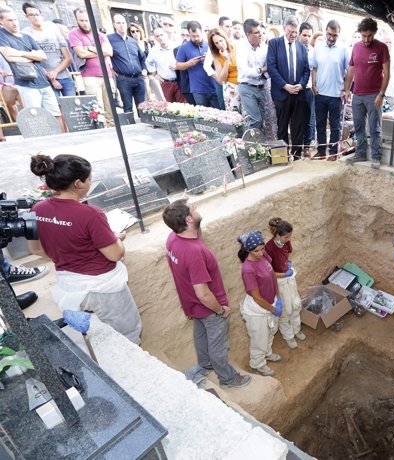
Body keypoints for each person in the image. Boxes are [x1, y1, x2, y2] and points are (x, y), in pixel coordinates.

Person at [28, 154, 142, 344]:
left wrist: (65, 254)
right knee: (128, 332)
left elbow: (36, 250)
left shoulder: (37, 209)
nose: (91, 182)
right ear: (79, 183)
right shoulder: (90, 214)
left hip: (69, 284)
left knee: (94, 339)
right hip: (103, 287)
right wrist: (116, 237)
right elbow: (115, 254)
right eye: (89, 179)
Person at [162, 199, 252, 389]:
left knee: (201, 338)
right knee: (218, 345)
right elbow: (203, 293)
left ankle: (205, 366)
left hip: (192, 306)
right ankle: (228, 379)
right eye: (194, 209)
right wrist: (220, 310)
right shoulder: (194, 253)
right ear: (188, 219)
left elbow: (195, 238)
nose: (197, 209)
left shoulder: (173, 239)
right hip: (210, 308)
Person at [0, 8, 65, 131]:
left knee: (55, 114)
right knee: (35, 117)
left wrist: (19, 53)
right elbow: (9, 56)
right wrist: (33, 56)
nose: (15, 23)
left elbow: (42, 56)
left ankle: (61, 140)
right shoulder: (2, 35)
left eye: (15, 19)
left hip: (43, 81)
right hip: (26, 82)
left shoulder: (26, 36)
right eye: (10, 20)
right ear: (1, 22)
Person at [343, 17, 390, 169]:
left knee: (375, 127)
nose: (366, 39)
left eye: (369, 35)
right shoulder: (356, 47)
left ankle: (376, 156)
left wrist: (381, 94)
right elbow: (351, 69)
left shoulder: (382, 48)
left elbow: (387, 72)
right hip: (357, 94)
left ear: (374, 33)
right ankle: (360, 153)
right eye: (364, 35)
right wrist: (347, 89)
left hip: (374, 95)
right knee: (358, 127)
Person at [237, 230, 282, 377]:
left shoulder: (263, 257)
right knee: (259, 339)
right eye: (256, 251)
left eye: (262, 248)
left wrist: (278, 297)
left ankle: (267, 354)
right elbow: (257, 298)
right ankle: (258, 364)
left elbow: (272, 274)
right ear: (248, 250)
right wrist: (273, 309)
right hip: (257, 310)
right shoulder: (248, 269)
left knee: (270, 332)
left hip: (270, 303)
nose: (261, 253)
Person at [266, 15, 310, 159]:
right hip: (281, 94)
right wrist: (285, 86)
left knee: (298, 126)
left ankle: (296, 156)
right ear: (284, 29)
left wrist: (301, 85)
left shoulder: (302, 47)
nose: (293, 35)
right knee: (282, 126)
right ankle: (281, 157)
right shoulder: (274, 44)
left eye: (295, 32)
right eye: (290, 31)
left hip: (298, 94)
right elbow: (272, 68)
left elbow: (306, 70)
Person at [264, 218, 306, 350]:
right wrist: (283, 274)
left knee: (295, 305)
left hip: (289, 277)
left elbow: (287, 254)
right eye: (286, 237)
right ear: (277, 235)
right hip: (279, 282)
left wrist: (288, 264)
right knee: (285, 311)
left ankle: (296, 330)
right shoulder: (268, 248)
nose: (288, 239)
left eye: (290, 236)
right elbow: (269, 272)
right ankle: (289, 336)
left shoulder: (286, 242)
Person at [69, 7, 115, 126]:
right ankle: (101, 132)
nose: (85, 23)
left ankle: (112, 129)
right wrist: (100, 51)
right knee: (96, 108)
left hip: (107, 75)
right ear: (77, 20)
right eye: (81, 21)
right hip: (89, 76)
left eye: (87, 20)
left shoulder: (100, 34)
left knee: (110, 107)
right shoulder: (74, 34)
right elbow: (81, 53)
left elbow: (109, 52)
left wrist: (90, 48)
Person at [311, 19, 349, 159]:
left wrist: (346, 90)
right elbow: (314, 68)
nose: (331, 38)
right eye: (329, 34)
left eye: (335, 35)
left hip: (336, 95)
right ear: (325, 31)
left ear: (339, 34)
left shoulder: (343, 49)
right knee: (319, 124)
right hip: (320, 93)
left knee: (335, 126)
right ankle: (321, 151)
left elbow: (349, 71)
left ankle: (333, 153)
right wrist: (314, 85)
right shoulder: (318, 47)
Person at [21, 2, 75, 98]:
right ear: (26, 17)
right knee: (56, 109)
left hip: (64, 75)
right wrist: (51, 78)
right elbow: (33, 61)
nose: (35, 17)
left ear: (42, 15)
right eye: (31, 15)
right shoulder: (26, 33)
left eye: (37, 14)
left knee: (73, 107)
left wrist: (55, 72)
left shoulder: (53, 28)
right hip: (45, 79)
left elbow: (68, 57)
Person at [108, 15, 147, 114]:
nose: (121, 25)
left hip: (138, 77)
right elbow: (104, 54)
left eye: (123, 23)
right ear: (114, 25)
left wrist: (144, 69)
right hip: (123, 79)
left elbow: (142, 57)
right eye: (118, 23)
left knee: (142, 107)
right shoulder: (109, 39)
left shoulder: (133, 41)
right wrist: (109, 68)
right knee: (128, 108)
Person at [175, 21, 217, 108]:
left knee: (219, 114)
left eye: (198, 35)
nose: (196, 38)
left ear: (202, 32)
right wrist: (189, 63)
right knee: (204, 116)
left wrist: (210, 61)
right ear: (189, 34)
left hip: (214, 85)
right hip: (198, 89)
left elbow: (220, 62)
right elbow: (178, 65)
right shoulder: (183, 47)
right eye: (193, 36)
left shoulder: (210, 45)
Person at [236, 18, 267, 131]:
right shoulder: (241, 48)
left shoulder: (264, 47)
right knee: (255, 120)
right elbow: (245, 71)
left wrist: (262, 71)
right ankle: (249, 146)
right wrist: (261, 70)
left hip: (262, 88)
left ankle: (258, 146)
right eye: (256, 32)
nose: (260, 35)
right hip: (247, 87)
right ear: (248, 34)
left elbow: (270, 68)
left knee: (262, 120)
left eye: (261, 32)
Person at [146, 27, 185, 103]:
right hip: (165, 83)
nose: (160, 37)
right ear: (155, 38)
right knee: (168, 107)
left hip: (179, 82)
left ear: (166, 35)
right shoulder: (154, 50)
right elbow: (148, 63)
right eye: (157, 36)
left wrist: (177, 67)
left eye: (161, 34)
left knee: (182, 106)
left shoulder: (175, 46)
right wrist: (154, 74)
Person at [207, 28, 238, 111]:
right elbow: (222, 79)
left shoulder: (236, 47)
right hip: (230, 88)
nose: (220, 44)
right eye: (216, 43)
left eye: (221, 40)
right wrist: (226, 60)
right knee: (235, 118)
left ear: (225, 38)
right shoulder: (217, 56)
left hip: (244, 86)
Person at [298, 23, 314, 154]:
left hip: (308, 89)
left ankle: (307, 146)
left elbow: (315, 70)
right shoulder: (292, 49)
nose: (306, 38)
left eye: (309, 36)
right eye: (304, 35)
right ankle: (296, 147)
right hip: (294, 89)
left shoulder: (313, 51)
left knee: (308, 119)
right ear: (299, 34)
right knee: (296, 119)